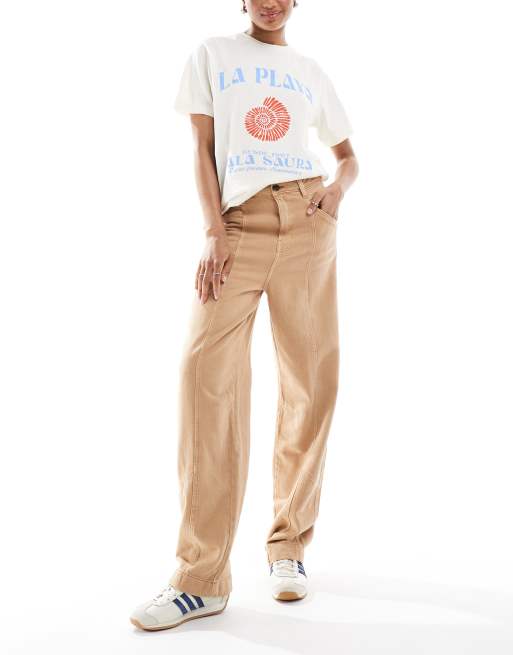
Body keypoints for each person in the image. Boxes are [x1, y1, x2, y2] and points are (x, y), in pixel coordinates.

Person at [130, 0, 359, 631]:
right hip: (237, 224)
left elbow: (348, 156)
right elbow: (202, 148)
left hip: (307, 220)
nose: (271, 2)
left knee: (311, 383)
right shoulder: (213, 54)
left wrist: (335, 193)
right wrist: (213, 230)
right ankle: (201, 578)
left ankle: (288, 547)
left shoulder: (310, 69)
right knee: (203, 375)